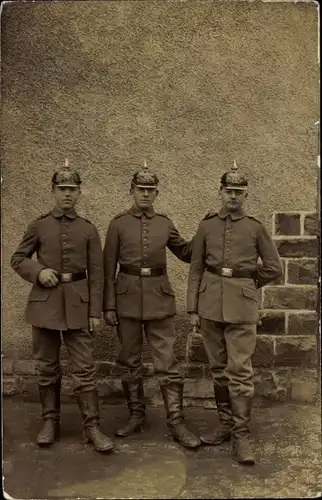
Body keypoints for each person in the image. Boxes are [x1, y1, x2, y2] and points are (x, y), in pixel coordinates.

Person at [10, 161, 114, 453]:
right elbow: (18, 258)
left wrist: (95, 312)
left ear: (80, 193)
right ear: (53, 191)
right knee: (47, 367)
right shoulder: (39, 225)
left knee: (85, 369)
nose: (67, 194)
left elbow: (98, 275)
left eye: (72, 189)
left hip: (79, 308)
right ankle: (49, 422)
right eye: (62, 189)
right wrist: (38, 271)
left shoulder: (88, 230)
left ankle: (92, 426)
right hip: (45, 306)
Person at [187, 160, 282, 465]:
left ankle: (241, 434)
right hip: (210, 304)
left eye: (238, 192)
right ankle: (225, 426)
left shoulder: (255, 227)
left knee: (240, 371)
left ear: (245, 195)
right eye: (228, 190)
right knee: (218, 369)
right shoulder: (207, 225)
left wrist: (249, 282)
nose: (233, 196)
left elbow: (273, 268)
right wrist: (193, 308)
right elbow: (196, 269)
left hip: (242, 307)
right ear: (220, 191)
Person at [103, 162, 200, 450]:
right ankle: (136, 415)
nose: (145, 194)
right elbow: (108, 268)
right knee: (129, 361)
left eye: (150, 190)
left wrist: (205, 232)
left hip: (159, 300)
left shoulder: (164, 223)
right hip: (127, 299)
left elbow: (185, 252)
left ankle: (176, 421)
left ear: (156, 193)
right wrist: (108, 305)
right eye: (140, 189)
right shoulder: (118, 224)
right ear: (132, 191)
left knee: (167, 363)